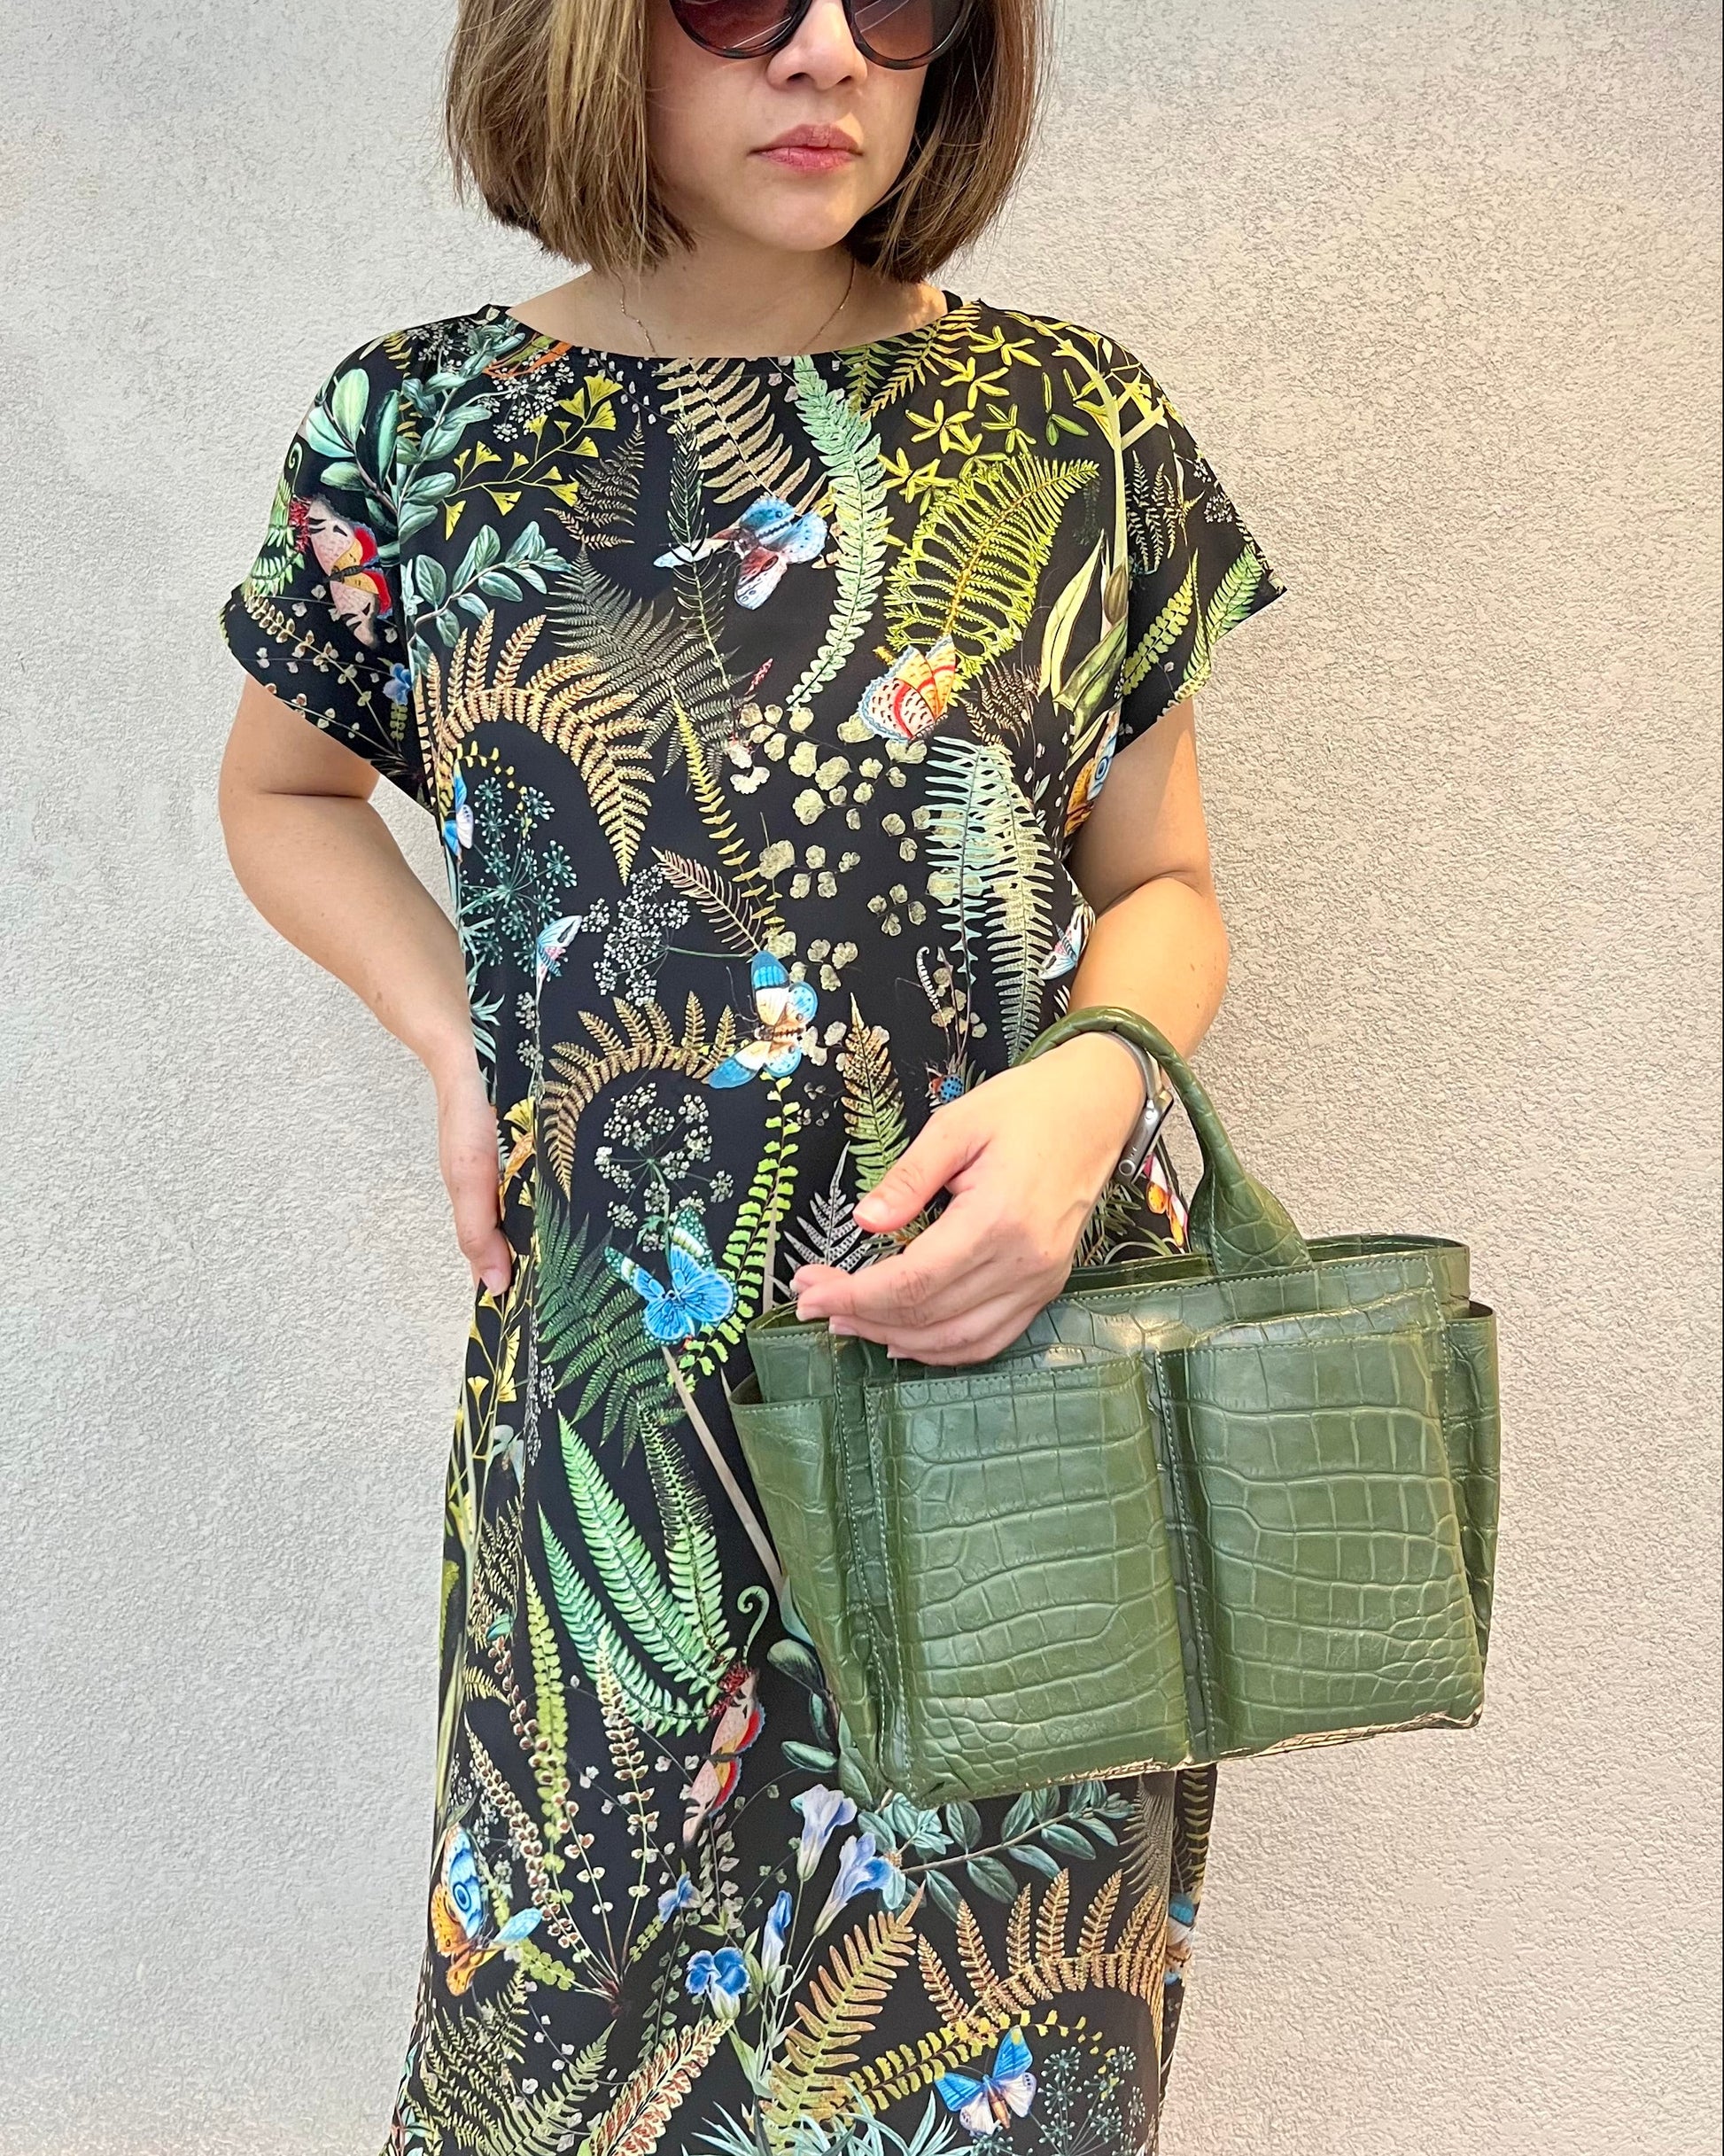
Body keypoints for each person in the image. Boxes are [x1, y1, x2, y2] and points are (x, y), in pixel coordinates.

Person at [214, 0, 1288, 2147]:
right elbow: (284, 792)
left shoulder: (1070, 420)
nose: (825, 55)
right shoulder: (419, 427)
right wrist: (458, 1040)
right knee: (569, 2063)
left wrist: (1090, 1088)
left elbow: (1164, 881)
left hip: (1003, 1411)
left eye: (894, 4)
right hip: (613, 1437)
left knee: (980, 2060)